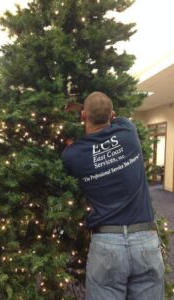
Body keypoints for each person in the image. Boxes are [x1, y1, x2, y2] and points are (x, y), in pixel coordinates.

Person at [62, 92, 165, 300]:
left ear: (83, 116)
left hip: (106, 243)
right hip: (145, 239)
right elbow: (113, 117)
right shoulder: (128, 130)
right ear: (113, 115)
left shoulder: (73, 155)